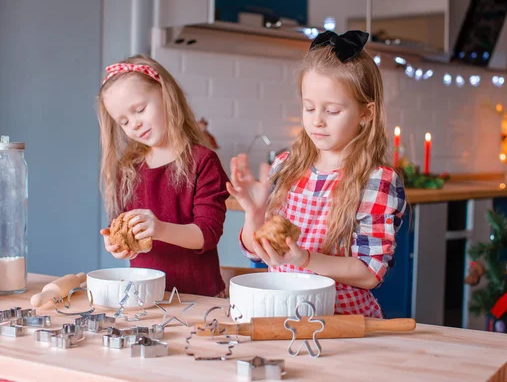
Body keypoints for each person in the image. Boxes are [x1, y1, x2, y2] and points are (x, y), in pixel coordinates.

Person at [227, 30, 407, 318]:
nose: (317, 120)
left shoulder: (376, 180)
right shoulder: (286, 165)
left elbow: (369, 273)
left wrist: (304, 259)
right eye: (309, 108)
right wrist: (254, 214)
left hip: (341, 324)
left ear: (366, 113)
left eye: (332, 110)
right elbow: (255, 251)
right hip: (281, 316)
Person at [97, 55, 229, 297]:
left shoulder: (202, 161)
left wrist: (159, 230)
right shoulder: (128, 169)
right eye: (124, 121)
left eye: (140, 110)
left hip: (199, 299)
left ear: (166, 95)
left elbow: (207, 234)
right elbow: (121, 226)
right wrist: (118, 245)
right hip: (144, 298)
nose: (134, 124)